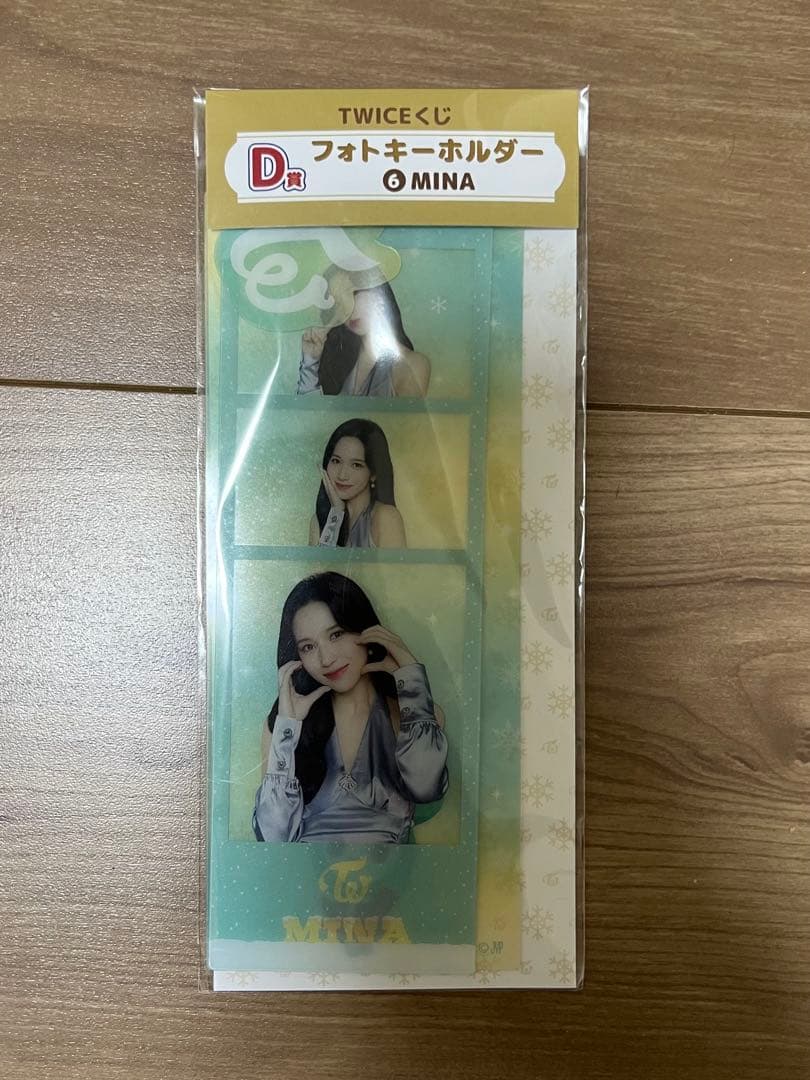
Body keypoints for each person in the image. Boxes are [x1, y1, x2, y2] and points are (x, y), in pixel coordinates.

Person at [253, 572, 448, 844]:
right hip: (308, 871)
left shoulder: (417, 715)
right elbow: (273, 836)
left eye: (336, 634)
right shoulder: (283, 726)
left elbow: (426, 788)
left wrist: (412, 682)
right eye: (308, 647)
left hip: (393, 870)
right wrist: (288, 727)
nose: (326, 659)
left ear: (366, 630)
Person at [296, 281, 431, 397]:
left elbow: (406, 421)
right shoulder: (342, 363)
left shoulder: (412, 365)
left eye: (353, 293)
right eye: (337, 302)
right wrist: (310, 361)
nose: (347, 309)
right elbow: (310, 415)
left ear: (379, 292)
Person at [310, 419, 406, 548]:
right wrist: (336, 513)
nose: (342, 475)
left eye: (356, 465)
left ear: (373, 474)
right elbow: (319, 562)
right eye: (336, 461)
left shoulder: (386, 517)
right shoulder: (319, 521)